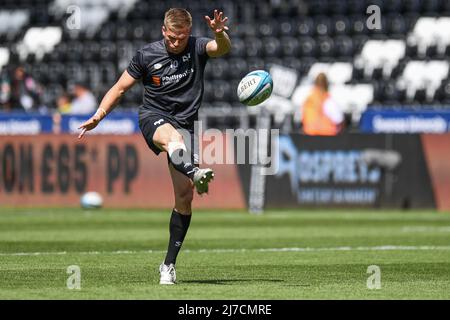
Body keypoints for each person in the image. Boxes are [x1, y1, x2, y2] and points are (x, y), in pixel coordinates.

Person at [77, 8, 231, 285]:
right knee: (174, 140)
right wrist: (99, 115)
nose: (176, 43)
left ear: (188, 33)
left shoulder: (196, 47)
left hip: (186, 125)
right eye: (172, 37)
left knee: (184, 199)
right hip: (154, 118)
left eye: (181, 37)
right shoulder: (147, 55)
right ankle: (195, 171)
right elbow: (120, 88)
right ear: (163, 31)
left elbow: (220, 49)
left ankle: (168, 266)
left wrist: (219, 33)